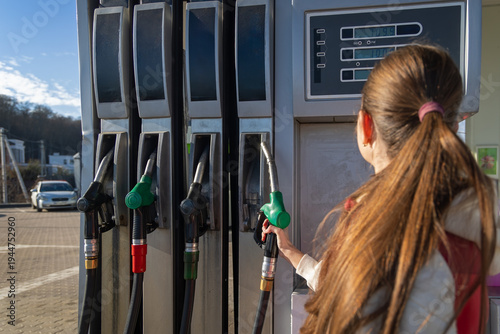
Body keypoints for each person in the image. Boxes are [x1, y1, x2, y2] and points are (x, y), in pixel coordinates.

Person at [262, 44, 500, 333]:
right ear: (451, 126)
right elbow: (348, 282)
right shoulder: (474, 233)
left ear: (366, 125)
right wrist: (290, 252)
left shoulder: (379, 233)